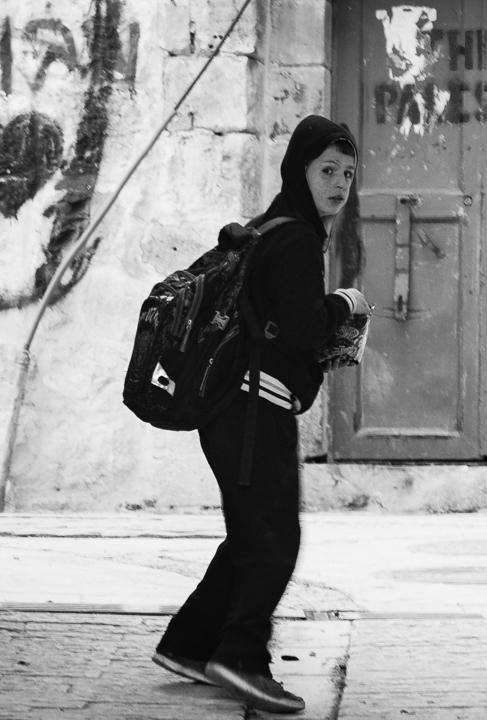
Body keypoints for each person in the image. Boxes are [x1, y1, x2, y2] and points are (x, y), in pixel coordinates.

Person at [150, 115, 369, 714]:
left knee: (251, 533)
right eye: (327, 171)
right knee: (274, 540)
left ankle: (190, 643)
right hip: (253, 410)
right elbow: (300, 329)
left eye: (348, 174)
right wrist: (343, 305)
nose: (339, 185)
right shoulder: (296, 237)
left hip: (233, 408)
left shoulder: (269, 226)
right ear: (300, 170)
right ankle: (241, 657)